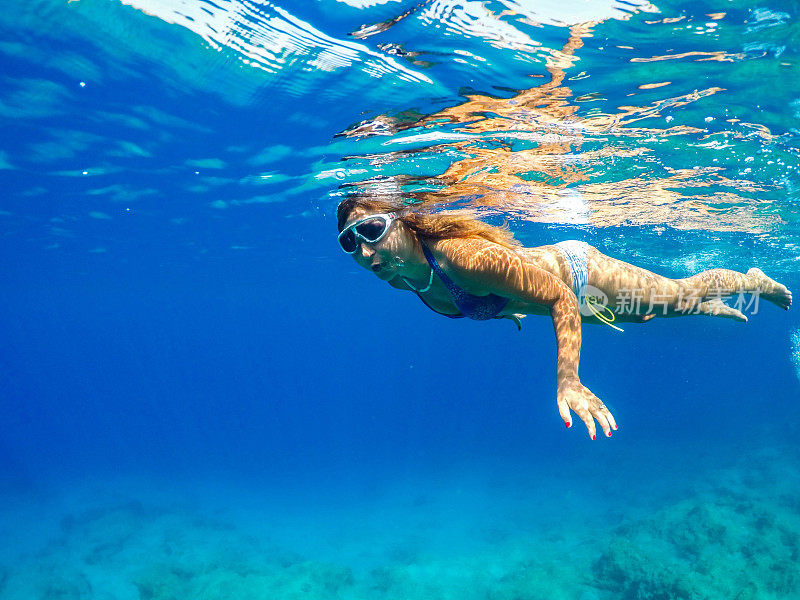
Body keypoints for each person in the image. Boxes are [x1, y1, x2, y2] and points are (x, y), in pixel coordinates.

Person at [337, 195, 793, 440]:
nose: (365, 250)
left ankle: (751, 281)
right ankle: (697, 305)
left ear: (401, 220)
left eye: (372, 230)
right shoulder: (402, 278)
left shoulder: (464, 257)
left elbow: (558, 297)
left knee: (675, 294)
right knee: (644, 318)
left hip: (577, 275)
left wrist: (568, 380)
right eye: (349, 242)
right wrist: (504, 310)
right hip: (555, 298)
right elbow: (480, 300)